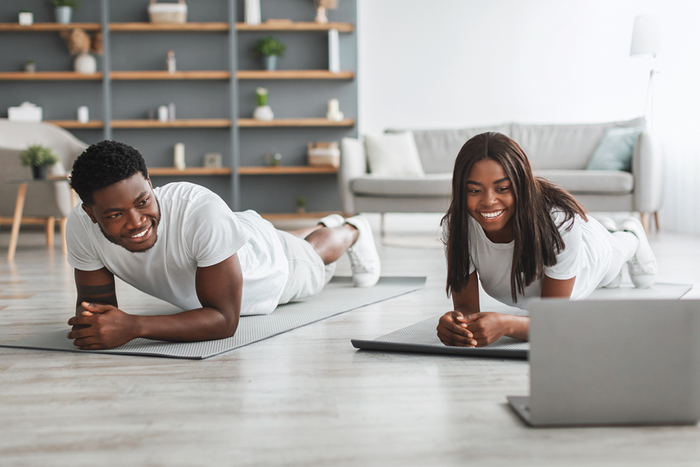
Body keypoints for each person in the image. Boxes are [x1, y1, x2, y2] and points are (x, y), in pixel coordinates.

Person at [65, 140, 380, 350]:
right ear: (91, 213)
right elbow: (96, 314)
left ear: (149, 182)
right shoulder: (80, 226)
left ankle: (353, 229)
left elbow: (224, 319)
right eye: (116, 214)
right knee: (282, 239)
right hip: (231, 235)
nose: (135, 222)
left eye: (143, 201)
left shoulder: (198, 209)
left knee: (312, 254)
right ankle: (328, 224)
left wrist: (134, 326)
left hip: (269, 267)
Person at [436, 132, 657, 348]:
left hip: (592, 252)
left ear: (520, 186)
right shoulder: (458, 227)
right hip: (571, 240)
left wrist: (506, 325)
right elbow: (467, 308)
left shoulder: (559, 223)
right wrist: (457, 323)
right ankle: (610, 229)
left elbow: (555, 321)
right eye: (474, 190)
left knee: (611, 266)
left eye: (502, 188)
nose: (488, 201)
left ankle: (631, 235)